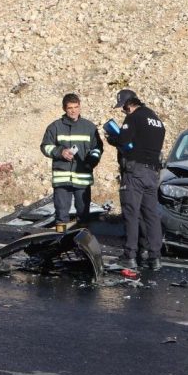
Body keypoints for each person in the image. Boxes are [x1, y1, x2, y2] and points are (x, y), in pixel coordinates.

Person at [104, 89, 166, 270]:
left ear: (129, 104)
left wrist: (112, 138)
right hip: (152, 173)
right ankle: (155, 257)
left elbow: (124, 139)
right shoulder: (157, 121)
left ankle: (129, 255)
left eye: (123, 108)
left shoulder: (134, 117)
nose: (124, 111)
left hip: (135, 171)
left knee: (131, 213)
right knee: (151, 215)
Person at [40, 93, 103, 232]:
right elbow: (45, 147)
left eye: (76, 107)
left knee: (83, 216)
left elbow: (97, 148)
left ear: (80, 107)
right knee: (61, 216)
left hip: (82, 178)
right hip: (62, 178)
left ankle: (82, 242)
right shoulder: (54, 127)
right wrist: (60, 152)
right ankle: (59, 240)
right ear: (64, 108)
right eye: (70, 108)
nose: (73, 110)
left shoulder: (89, 127)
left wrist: (92, 161)